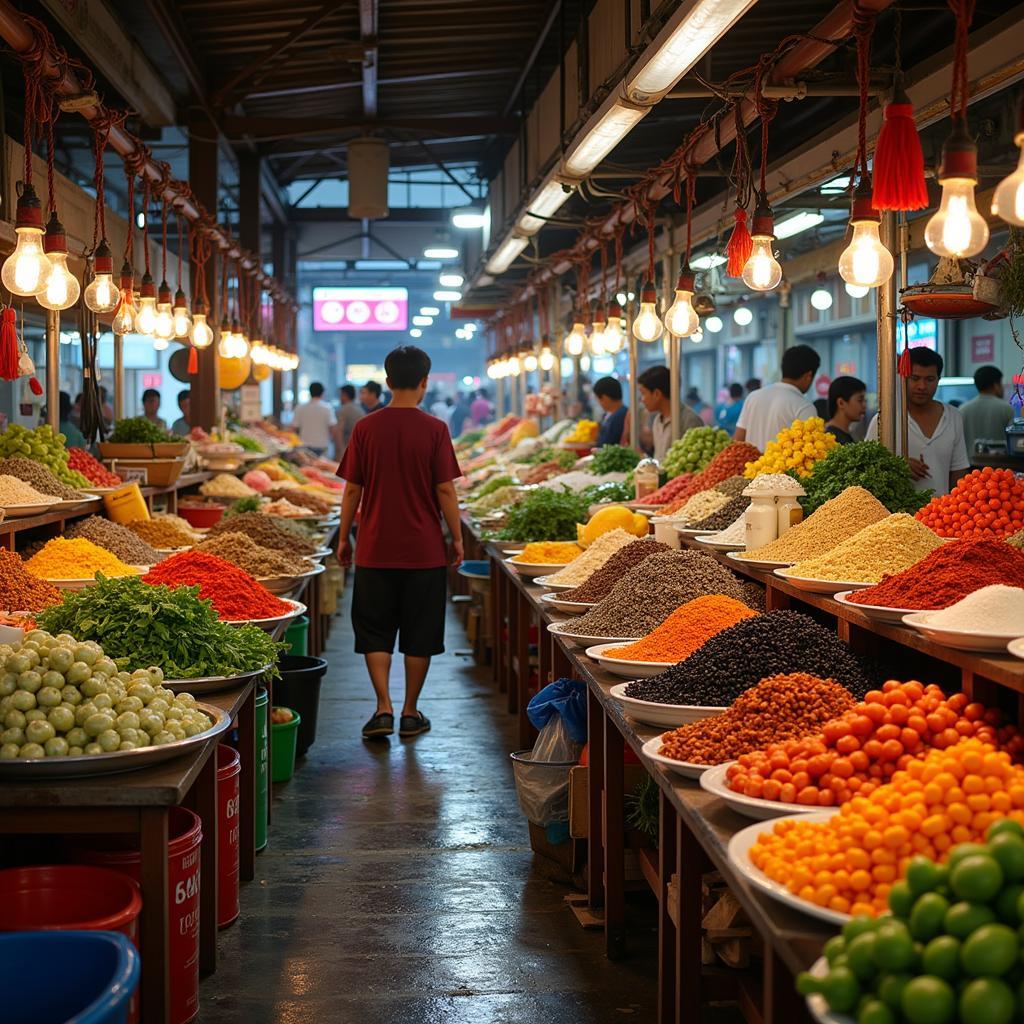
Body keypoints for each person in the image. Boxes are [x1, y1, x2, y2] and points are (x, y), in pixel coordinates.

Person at [337, 345, 463, 741]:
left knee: (374, 632)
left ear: (388, 382)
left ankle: (382, 708)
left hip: (374, 549)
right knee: (419, 632)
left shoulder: (365, 428)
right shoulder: (435, 429)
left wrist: (344, 538)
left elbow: (351, 491)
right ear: (425, 382)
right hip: (423, 551)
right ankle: (410, 712)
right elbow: (445, 490)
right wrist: (456, 538)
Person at [866, 348, 970, 496]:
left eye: (929, 379)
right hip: (897, 515)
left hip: (941, 514)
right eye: (914, 378)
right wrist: (896, 466)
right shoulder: (884, 420)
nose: (922, 386)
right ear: (903, 378)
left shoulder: (954, 416)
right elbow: (865, 467)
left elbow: (958, 470)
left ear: (938, 379)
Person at [734, 345, 819, 451]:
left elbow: (737, 442)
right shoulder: (804, 407)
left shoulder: (753, 397)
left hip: (751, 466)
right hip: (783, 468)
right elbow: (810, 453)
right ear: (809, 376)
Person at [637, 365, 703, 461]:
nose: (641, 400)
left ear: (656, 394)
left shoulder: (690, 420)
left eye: (643, 394)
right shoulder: (657, 421)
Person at [959, 365, 1014, 453]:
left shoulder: (963, 409)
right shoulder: (1006, 408)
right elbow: (1013, 441)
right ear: (996, 385)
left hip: (970, 463)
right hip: (999, 463)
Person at [291, 382, 335, 456]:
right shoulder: (327, 408)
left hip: (304, 445)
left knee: (306, 466)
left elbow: (293, 428)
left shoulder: (300, 408)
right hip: (322, 445)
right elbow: (332, 428)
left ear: (310, 392)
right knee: (321, 466)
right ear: (322, 393)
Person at [824, 376, 867, 444]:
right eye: (860, 400)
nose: (864, 405)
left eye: (865, 400)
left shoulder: (848, 433)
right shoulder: (830, 439)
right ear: (841, 403)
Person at [594, 376, 628, 447]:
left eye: (597, 399)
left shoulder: (620, 416)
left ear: (604, 398)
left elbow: (607, 444)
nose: (598, 403)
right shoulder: (609, 414)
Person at [333, 384, 364, 459]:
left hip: (346, 449)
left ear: (345, 395)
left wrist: (340, 451)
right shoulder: (360, 409)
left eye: (340, 395)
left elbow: (339, 431)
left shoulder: (343, 410)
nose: (339, 398)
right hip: (359, 449)